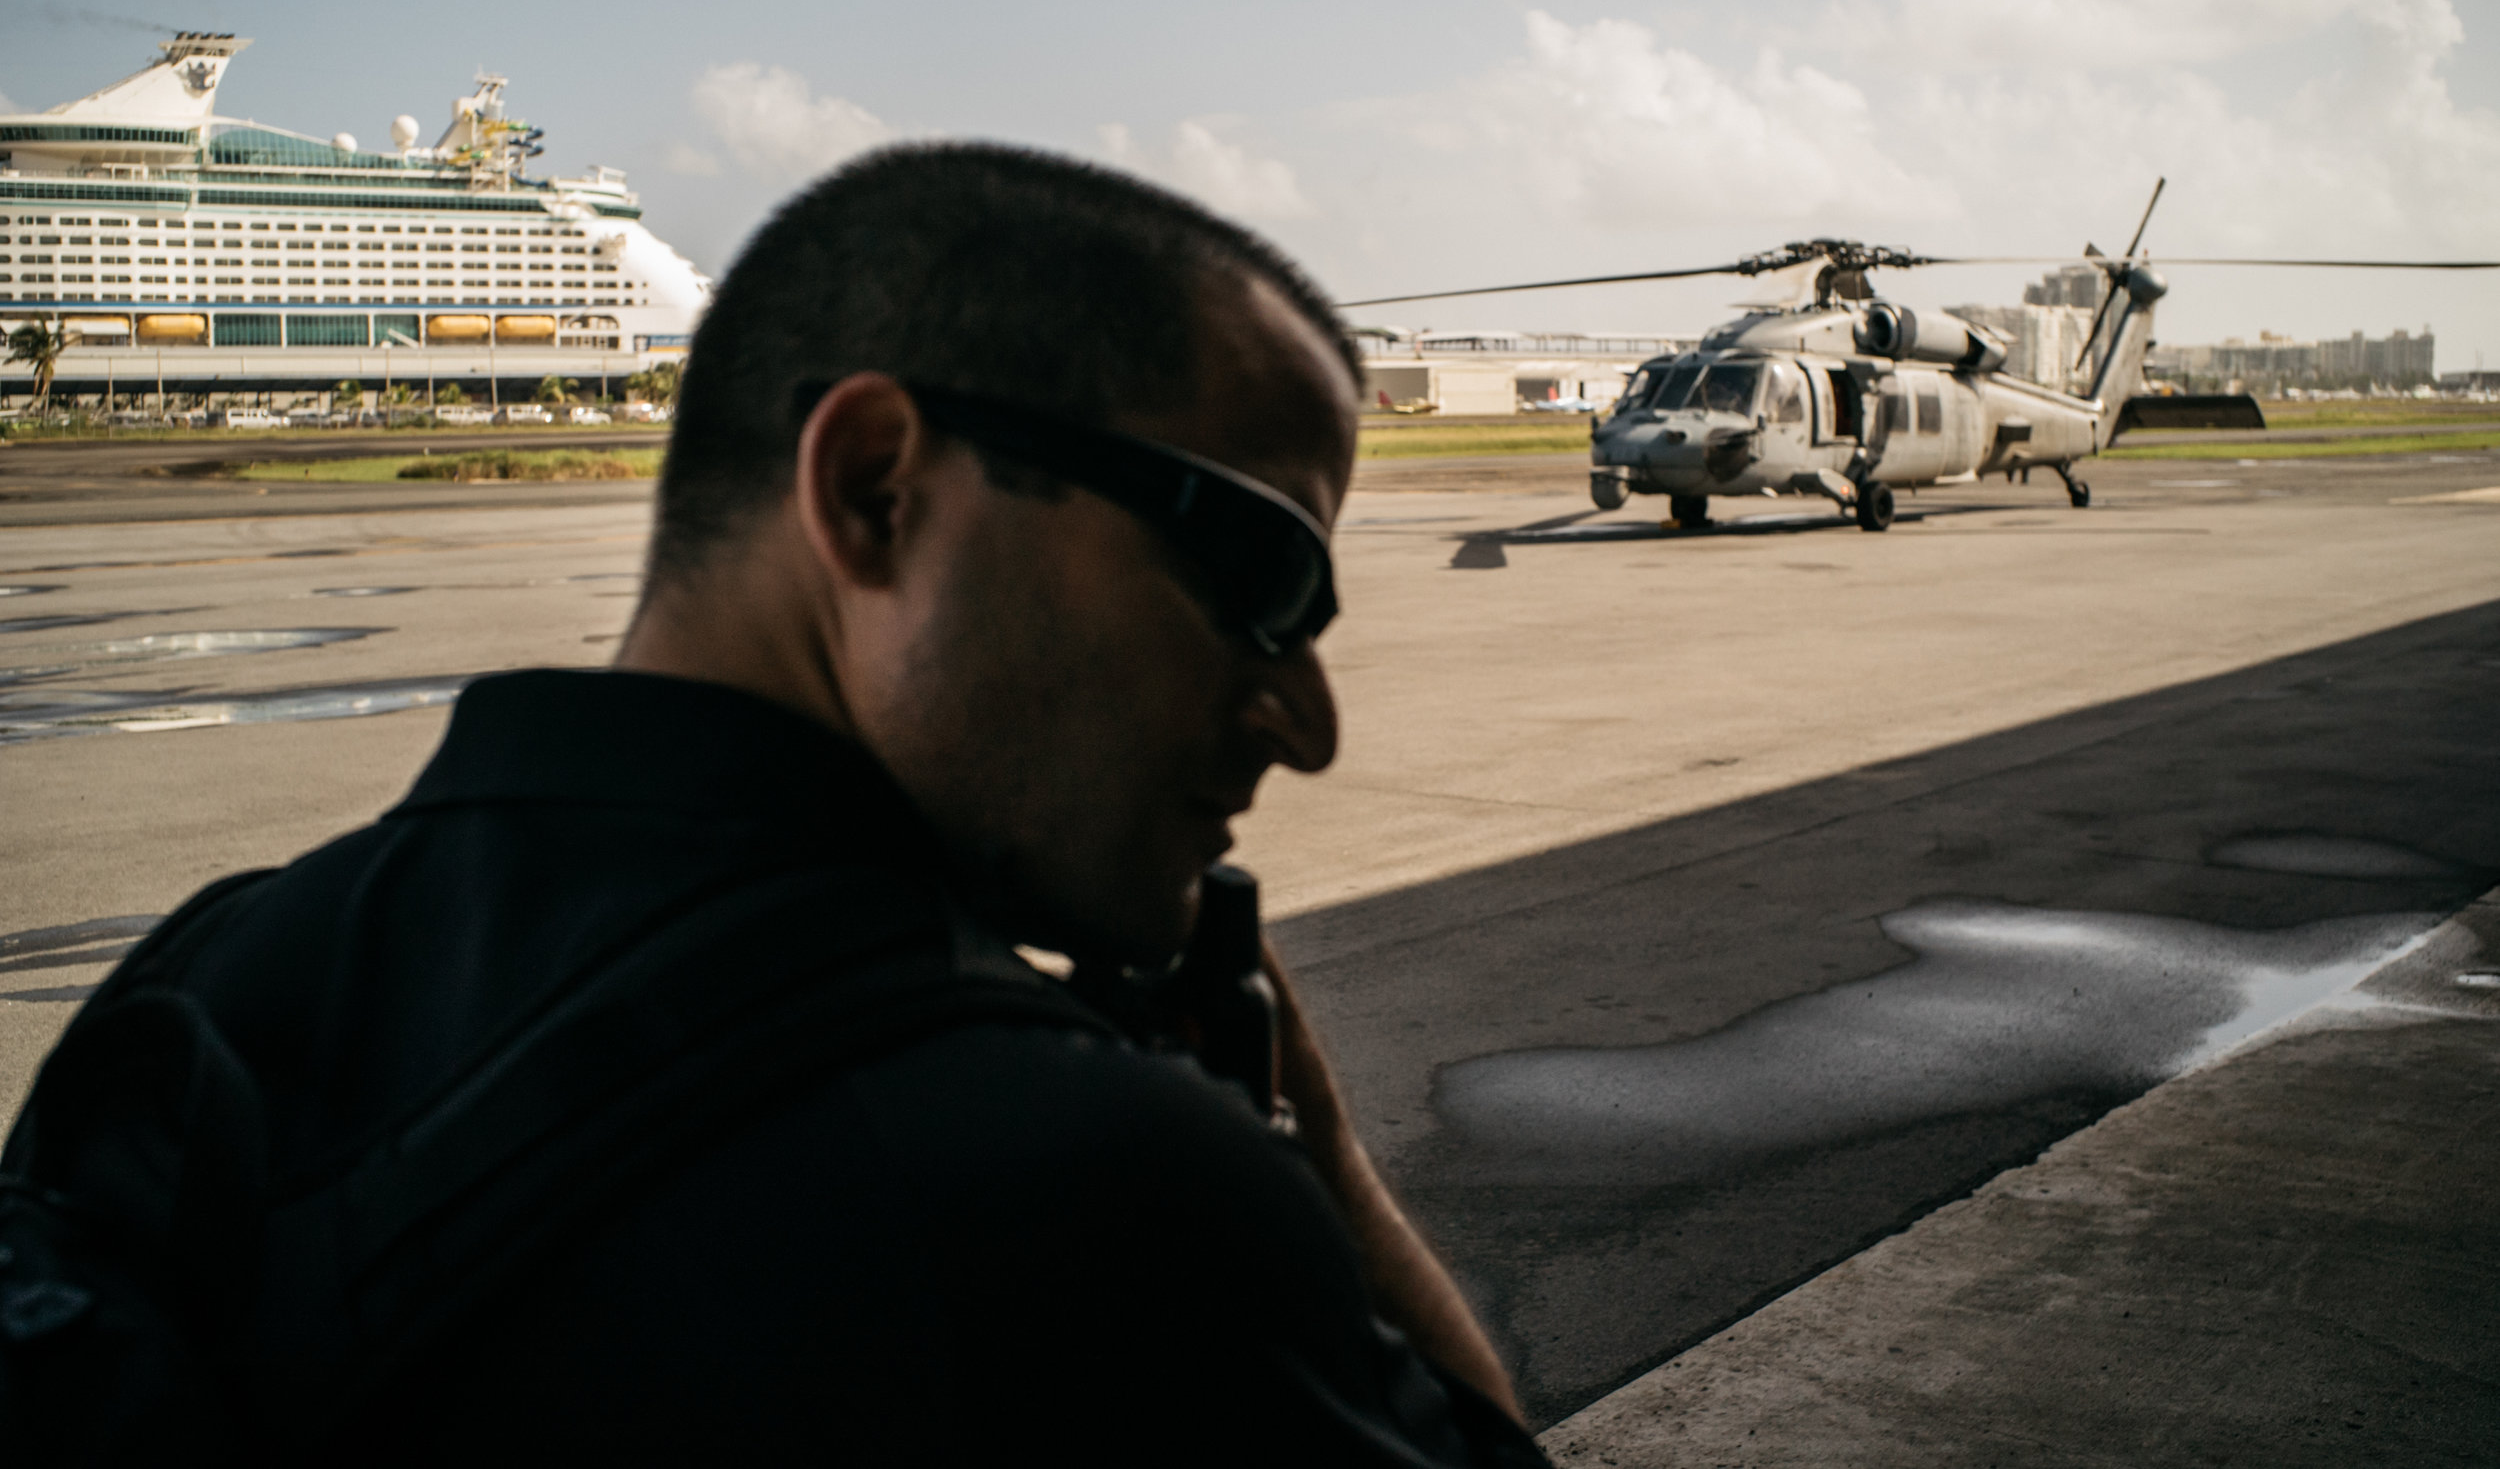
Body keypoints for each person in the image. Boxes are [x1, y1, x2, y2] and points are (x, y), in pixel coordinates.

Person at [6, 145, 1547, 1465]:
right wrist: (1319, 1166)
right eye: (1260, 573)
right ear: (877, 488)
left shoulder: (203, 988)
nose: (1309, 718)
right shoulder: (1106, 1180)